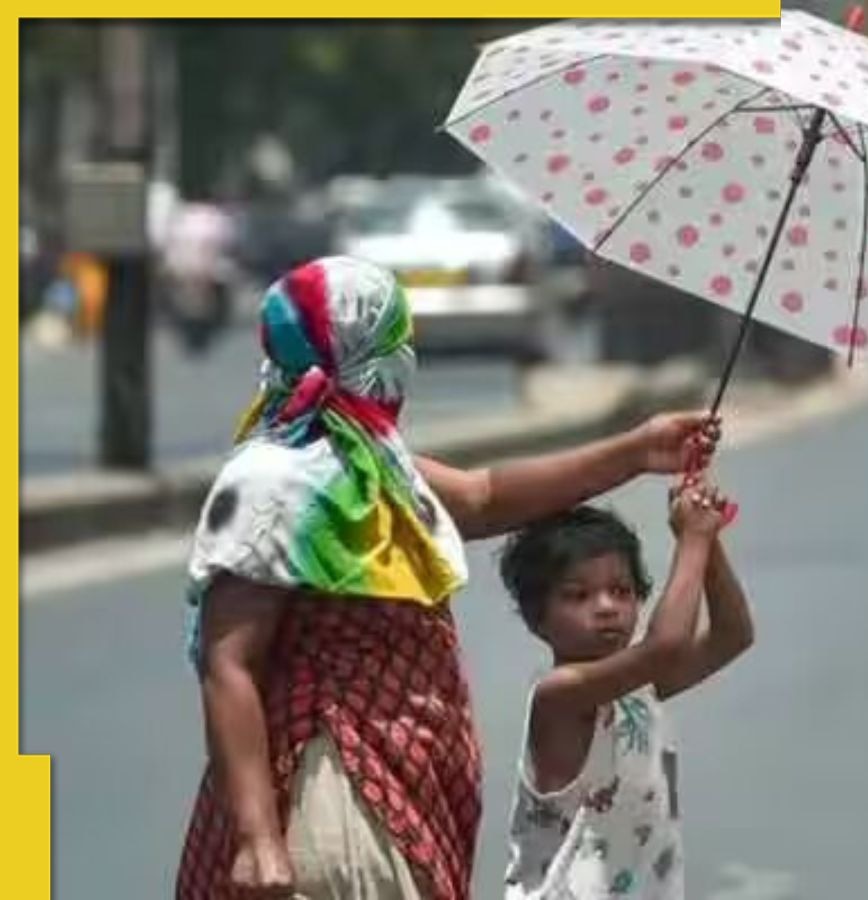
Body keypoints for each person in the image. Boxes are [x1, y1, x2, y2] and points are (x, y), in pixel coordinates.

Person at [174, 256, 720, 900]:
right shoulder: (272, 480)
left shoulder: (376, 463)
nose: (404, 359)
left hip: (404, 786)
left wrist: (636, 452)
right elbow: (227, 663)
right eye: (392, 342)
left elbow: (486, 497)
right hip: (332, 786)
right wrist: (258, 838)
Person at [498, 478, 753, 899]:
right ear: (535, 618)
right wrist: (693, 538)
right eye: (578, 596)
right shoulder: (559, 695)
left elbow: (733, 634)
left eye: (621, 591)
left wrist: (708, 542)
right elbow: (666, 646)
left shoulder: (638, 689)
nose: (606, 607)